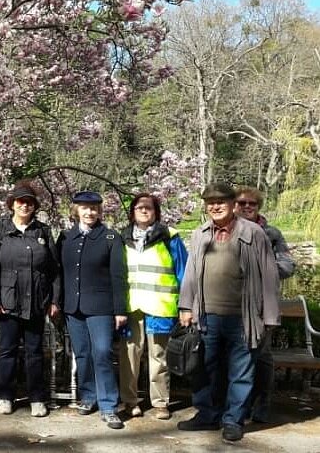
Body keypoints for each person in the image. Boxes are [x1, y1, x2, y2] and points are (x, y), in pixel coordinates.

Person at [177, 182, 280, 443]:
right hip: (207, 315)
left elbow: (269, 276)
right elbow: (190, 273)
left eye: (221, 202)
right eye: (210, 202)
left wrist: (269, 316)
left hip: (243, 317)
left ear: (233, 204)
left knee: (241, 372)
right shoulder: (200, 233)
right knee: (205, 369)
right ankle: (207, 416)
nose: (215, 206)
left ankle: (233, 420)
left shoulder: (254, 233)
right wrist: (186, 306)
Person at [0, 181, 61, 417]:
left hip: (36, 301)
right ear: (12, 205)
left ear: (35, 206)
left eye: (29, 202)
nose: (25, 206)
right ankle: (5, 395)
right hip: (8, 301)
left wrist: (54, 300)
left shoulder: (43, 231)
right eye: (20, 202)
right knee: (7, 351)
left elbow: (54, 269)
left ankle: (37, 397)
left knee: (34, 351)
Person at [59, 191, 127, 430]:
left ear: (100, 211)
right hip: (72, 307)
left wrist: (120, 310)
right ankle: (88, 397)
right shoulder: (66, 237)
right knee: (83, 354)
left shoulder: (110, 237)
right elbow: (60, 273)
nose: (89, 212)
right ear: (76, 209)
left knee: (102, 352)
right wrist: (57, 302)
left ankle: (109, 406)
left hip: (101, 307)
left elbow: (118, 276)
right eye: (84, 208)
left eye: (94, 208)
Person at [118, 193, 187, 421]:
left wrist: (185, 306)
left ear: (156, 211)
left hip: (160, 306)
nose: (144, 210)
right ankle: (130, 402)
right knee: (130, 356)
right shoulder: (123, 237)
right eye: (139, 207)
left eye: (149, 207)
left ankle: (160, 403)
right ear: (132, 212)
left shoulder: (170, 237)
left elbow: (183, 272)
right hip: (132, 307)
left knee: (159, 357)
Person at [234, 186, 295, 424]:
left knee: (260, 356)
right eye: (242, 203)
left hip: (262, 304)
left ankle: (261, 402)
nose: (247, 207)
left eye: (252, 204)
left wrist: (262, 270)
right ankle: (237, 404)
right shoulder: (227, 231)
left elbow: (288, 265)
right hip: (232, 303)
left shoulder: (272, 233)